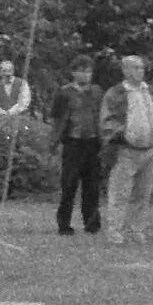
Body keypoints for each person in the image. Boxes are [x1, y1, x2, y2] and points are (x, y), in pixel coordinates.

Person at [100, 54, 153, 244]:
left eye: (141, 68)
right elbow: (107, 121)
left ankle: (136, 230)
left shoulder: (151, 92)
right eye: (136, 68)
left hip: (150, 149)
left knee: (143, 194)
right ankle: (115, 231)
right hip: (126, 150)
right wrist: (123, 134)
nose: (140, 72)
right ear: (125, 70)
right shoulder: (116, 93)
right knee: (120, 193)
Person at [49, 54, 104, 235]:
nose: (85, 75)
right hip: (73, 143)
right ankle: (64, 224)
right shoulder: (64, 93)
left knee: (92, 186)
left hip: (93, 142)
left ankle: (92, 222)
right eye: (81, 71)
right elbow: (57, 120)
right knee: (69, 185)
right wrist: (54, 141)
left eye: (88, 71)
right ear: (74, 72)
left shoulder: (96, 92)